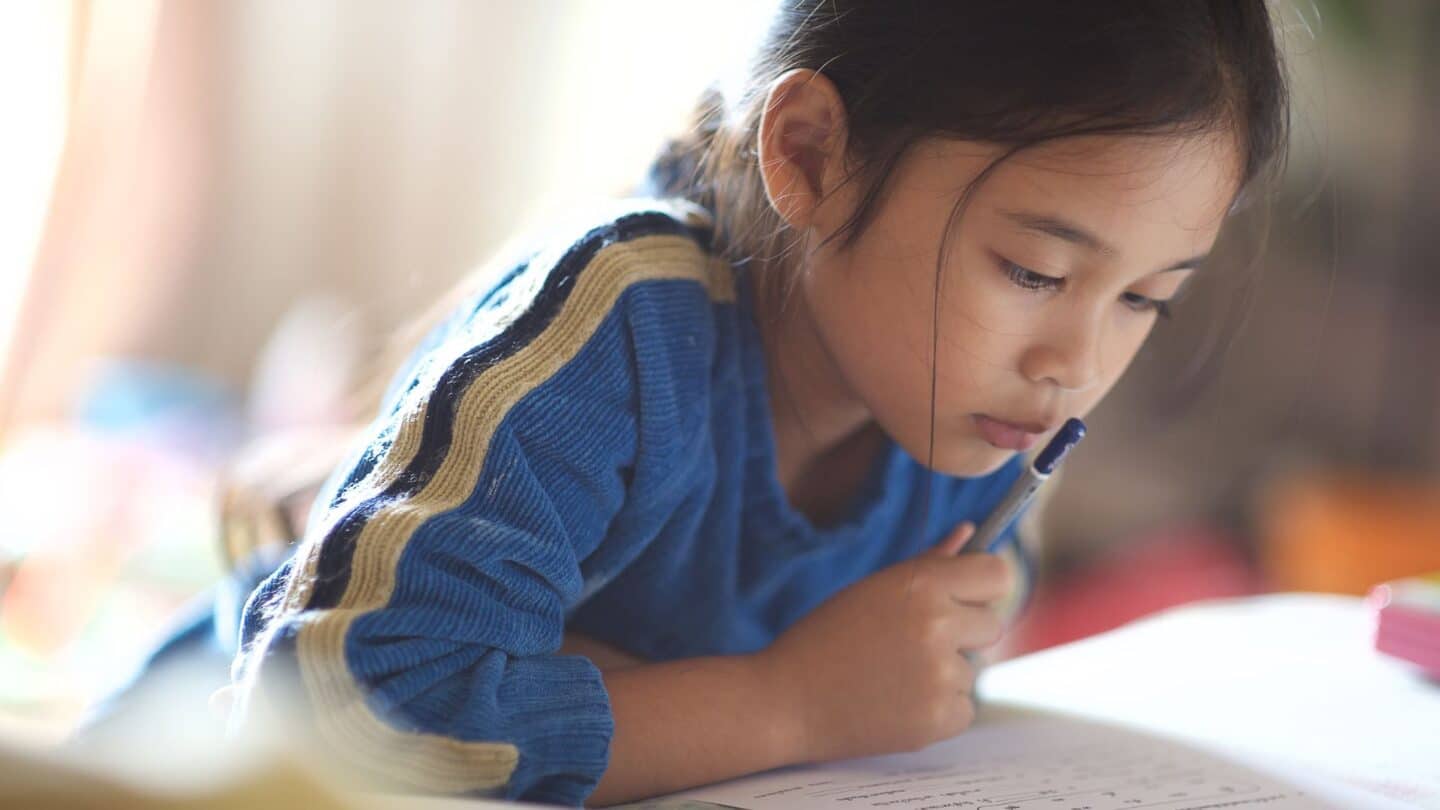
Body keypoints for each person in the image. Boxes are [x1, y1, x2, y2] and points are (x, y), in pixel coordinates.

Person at [227, 2, 1290, 805]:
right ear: (811, 154)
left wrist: (616, 685)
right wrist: (782, 703)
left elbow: (923, 685)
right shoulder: (626, 324)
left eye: (1147, 299)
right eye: (1033, 273)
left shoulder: (978, 431)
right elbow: (342, 713)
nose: (1077, 363)